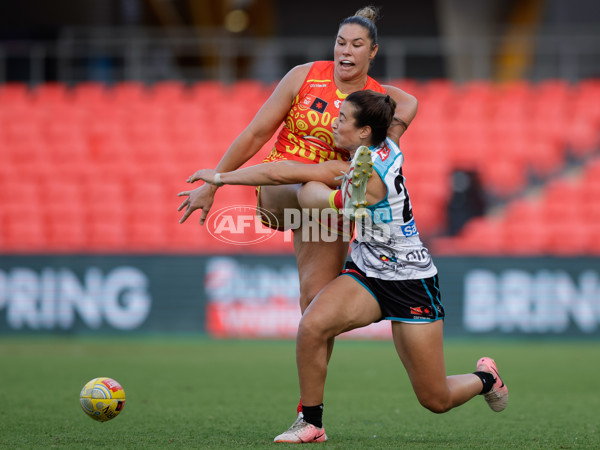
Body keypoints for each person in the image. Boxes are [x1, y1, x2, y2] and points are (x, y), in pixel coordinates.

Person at [186, 90, 509, 444]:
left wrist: (313, 192)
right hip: (367, 273)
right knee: (312, 325)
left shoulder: (371, 176)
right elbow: (283, 171)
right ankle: (311, 422)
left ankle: (486, 379)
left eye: (342, 118)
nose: (334, 122)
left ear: (363, 131)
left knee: (436, 399)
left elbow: (321, 197)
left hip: (410, 281)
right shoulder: (374, 146)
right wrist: (219, 178)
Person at [178, 5, 417, 421]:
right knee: (305, 185)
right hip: (283, 192)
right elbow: (256, 132)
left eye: (357, 45)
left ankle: (310, 415)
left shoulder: (375, 100)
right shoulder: (304, 75)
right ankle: (338, 197)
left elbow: (409, 102)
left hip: (325, 207)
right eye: (341, 42)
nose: (346, 51)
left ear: (372, 51)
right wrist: (215, 182)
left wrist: (392, 132)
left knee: (315, 308)